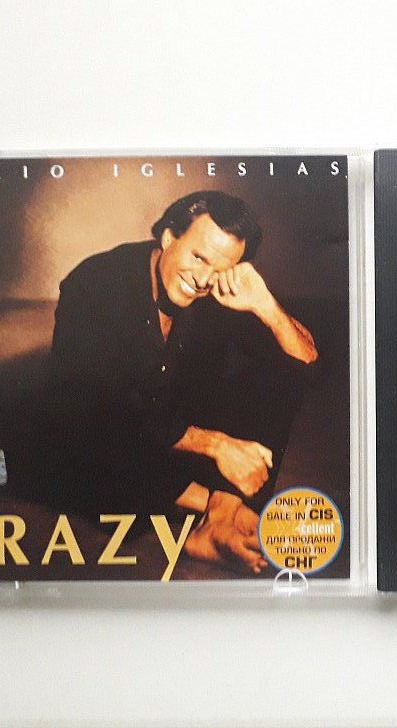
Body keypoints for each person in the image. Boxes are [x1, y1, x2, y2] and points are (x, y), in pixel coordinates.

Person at [47, 191, 317, 574]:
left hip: (172, 434)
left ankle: (217, 519)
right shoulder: (95, 285)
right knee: (88, 442)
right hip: (109, 444)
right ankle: (218, 506)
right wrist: (218, 446)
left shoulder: (217, 290)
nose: (203, 279)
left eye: (219, 269)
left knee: (276, 373)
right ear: (169, 236)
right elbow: (95, 406)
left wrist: (265, 305)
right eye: (198, 257)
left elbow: (303, 363)